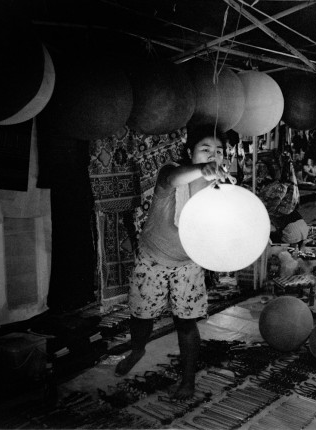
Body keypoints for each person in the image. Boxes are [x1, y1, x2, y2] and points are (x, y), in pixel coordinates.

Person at [114, 125, 228, 400]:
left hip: (188, 262)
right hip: (153, 256)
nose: (214, 155)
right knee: (142, 317)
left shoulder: (220, 187)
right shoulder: (172, 171)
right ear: (190, 152)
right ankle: (138, 349)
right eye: (205, 149)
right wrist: (202, 170)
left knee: (187, 323)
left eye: (219, 151)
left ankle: (187, 381)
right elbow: (172, 178)